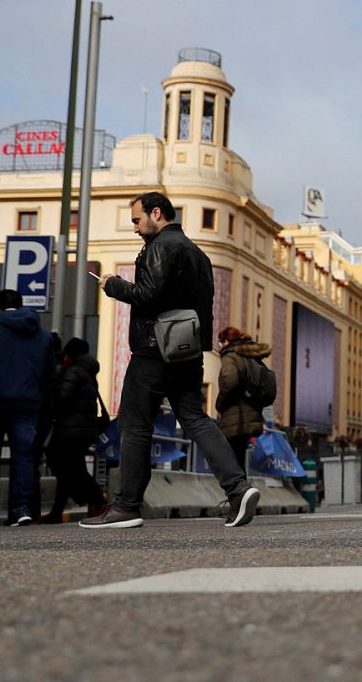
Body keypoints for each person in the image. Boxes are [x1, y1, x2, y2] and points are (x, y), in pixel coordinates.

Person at [82, 191, 260, 529]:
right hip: (188, 353)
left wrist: (113, 285)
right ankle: (238, 489)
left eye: (137, 220)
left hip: (153, 352)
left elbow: (148, 295)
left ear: (157, 213)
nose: (135, 228)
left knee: (134, 425)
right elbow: (203, 308)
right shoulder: (198, 254)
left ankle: (126, 506)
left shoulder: (160, 247)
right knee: (196, 419)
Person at [0, 289, 55, 527]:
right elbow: (49, 375)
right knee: (24, 456)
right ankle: (21, 509)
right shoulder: (43, 335)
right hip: (27, 402)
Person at [39, 338, 109, 523]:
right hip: (84, 429)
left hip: (70, 429)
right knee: (71, 469)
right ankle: (58, 511)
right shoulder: (88, 371)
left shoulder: (73, 371)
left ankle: (98, 501)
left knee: (69, 468)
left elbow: (63, 400)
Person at [214, 326, 269, 469]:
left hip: (236, 417)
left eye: (220, 342)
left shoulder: (230, 355)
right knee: (238, 458)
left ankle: (239, 489)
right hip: (251, 415)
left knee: (231, 461)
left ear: (226, 341)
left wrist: (219, 404)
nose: (219, 346)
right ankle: (242, 489)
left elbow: (230, 381)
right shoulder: (250, 356)